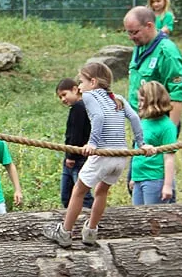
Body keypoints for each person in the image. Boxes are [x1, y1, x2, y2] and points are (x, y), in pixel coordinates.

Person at [45, 62, 151, 248]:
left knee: (78, 191)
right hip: (120, 156)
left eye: (82, 81)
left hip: (103, 154)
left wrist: (93, 142)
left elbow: (98, 117)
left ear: (92, 82)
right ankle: (90, 231)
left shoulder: (89, 95)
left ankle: (65, 232)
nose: (79, 86)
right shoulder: (117, 98)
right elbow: (134, 118)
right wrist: (141, 143)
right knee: (102, 191)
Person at [125, 6, 182, 127]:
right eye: (128, 32)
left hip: (160, 124)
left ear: (149, 26)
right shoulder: (140, 46)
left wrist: (170, 131)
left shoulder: (167, 52)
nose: (131, 37)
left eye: (134, 32)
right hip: (142, 122)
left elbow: (177, 92)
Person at [130, 81, 177, 206]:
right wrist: (134, 178)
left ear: (152, 102)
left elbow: (169, 158)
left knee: (153, 220)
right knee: (138, 219)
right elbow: (137, 151)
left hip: (155, 179)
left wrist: (167, 186)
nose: (138, 105)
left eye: (142, 101)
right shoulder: (143, 122)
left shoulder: (167, 126)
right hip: (139, 177)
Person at [56, 78, 93, 209]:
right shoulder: (78, 107)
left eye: (64, 95)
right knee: (68, 194)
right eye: (60, 97)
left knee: (81, 194)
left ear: (75, 89)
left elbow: (76, 134)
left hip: (78, 158)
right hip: (72, 156)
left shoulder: (79, 107)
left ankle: (88, 217)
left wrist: (71, 156)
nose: (62, 99)